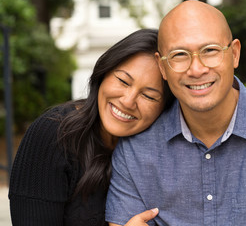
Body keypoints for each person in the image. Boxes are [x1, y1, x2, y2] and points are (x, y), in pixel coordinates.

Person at [105, 0, 246, 226]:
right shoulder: (135, 152)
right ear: (162, 66)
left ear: (234, 53)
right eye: (180, 55)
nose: (197, 69)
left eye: (210, 50)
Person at [8, 28, 174, 226]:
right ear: (104, 73)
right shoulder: (53, 135)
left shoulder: (162, 151)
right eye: (123, 81)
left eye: (148, 95)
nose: (128, 101)